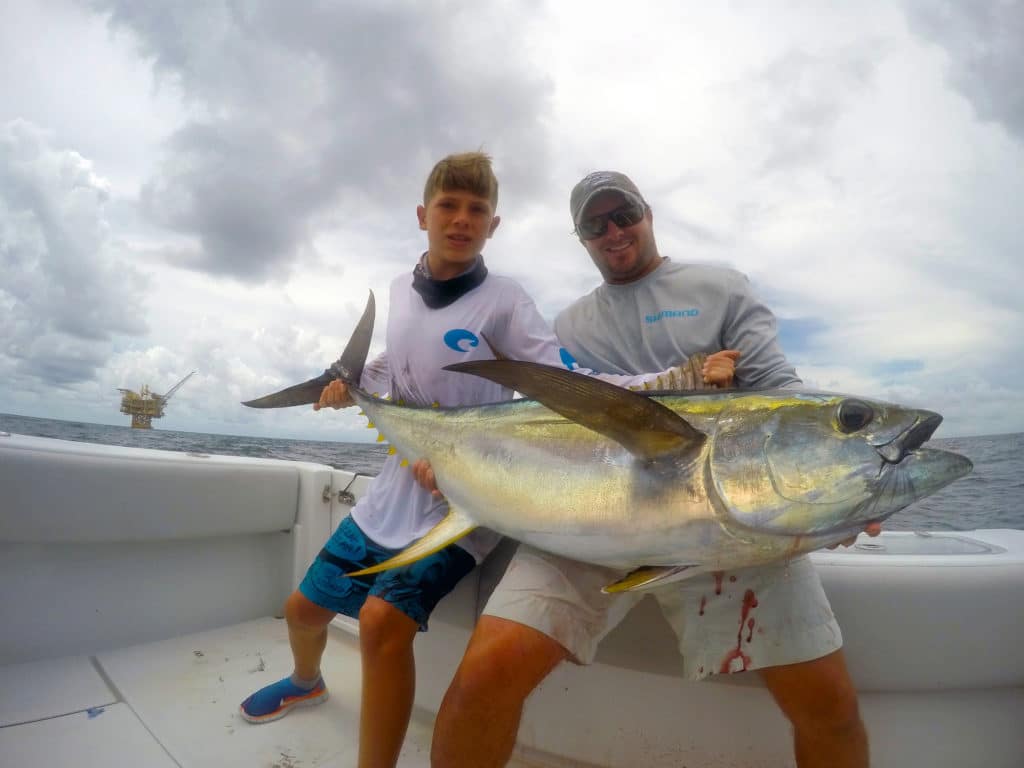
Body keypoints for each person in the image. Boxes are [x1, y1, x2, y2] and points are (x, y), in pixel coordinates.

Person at [238, 154, 719, 768]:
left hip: (465, 499)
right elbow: (396, 367)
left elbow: (569, 382)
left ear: (494, 225)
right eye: (448, 206)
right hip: (395, 490)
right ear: (423, 215)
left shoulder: (504, 301)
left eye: (477, 210)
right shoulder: (397, 291)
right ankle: (308, 680)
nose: (461, 220)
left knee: (384, 623)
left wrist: (678, 379)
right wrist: (348, 382)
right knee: (302, 609)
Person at [430, 171, 875, 768]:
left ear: (647, 212)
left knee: (832, 709)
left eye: (624, 214)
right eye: (595, 224)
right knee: (482, 679)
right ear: (581, 237)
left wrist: (846, 486)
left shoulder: (720, 288)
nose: (613, 231)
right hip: (593, 526)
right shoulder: (565, 329)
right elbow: (530, 430)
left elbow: (786, 398)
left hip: (737, 526)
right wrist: (447, 461)